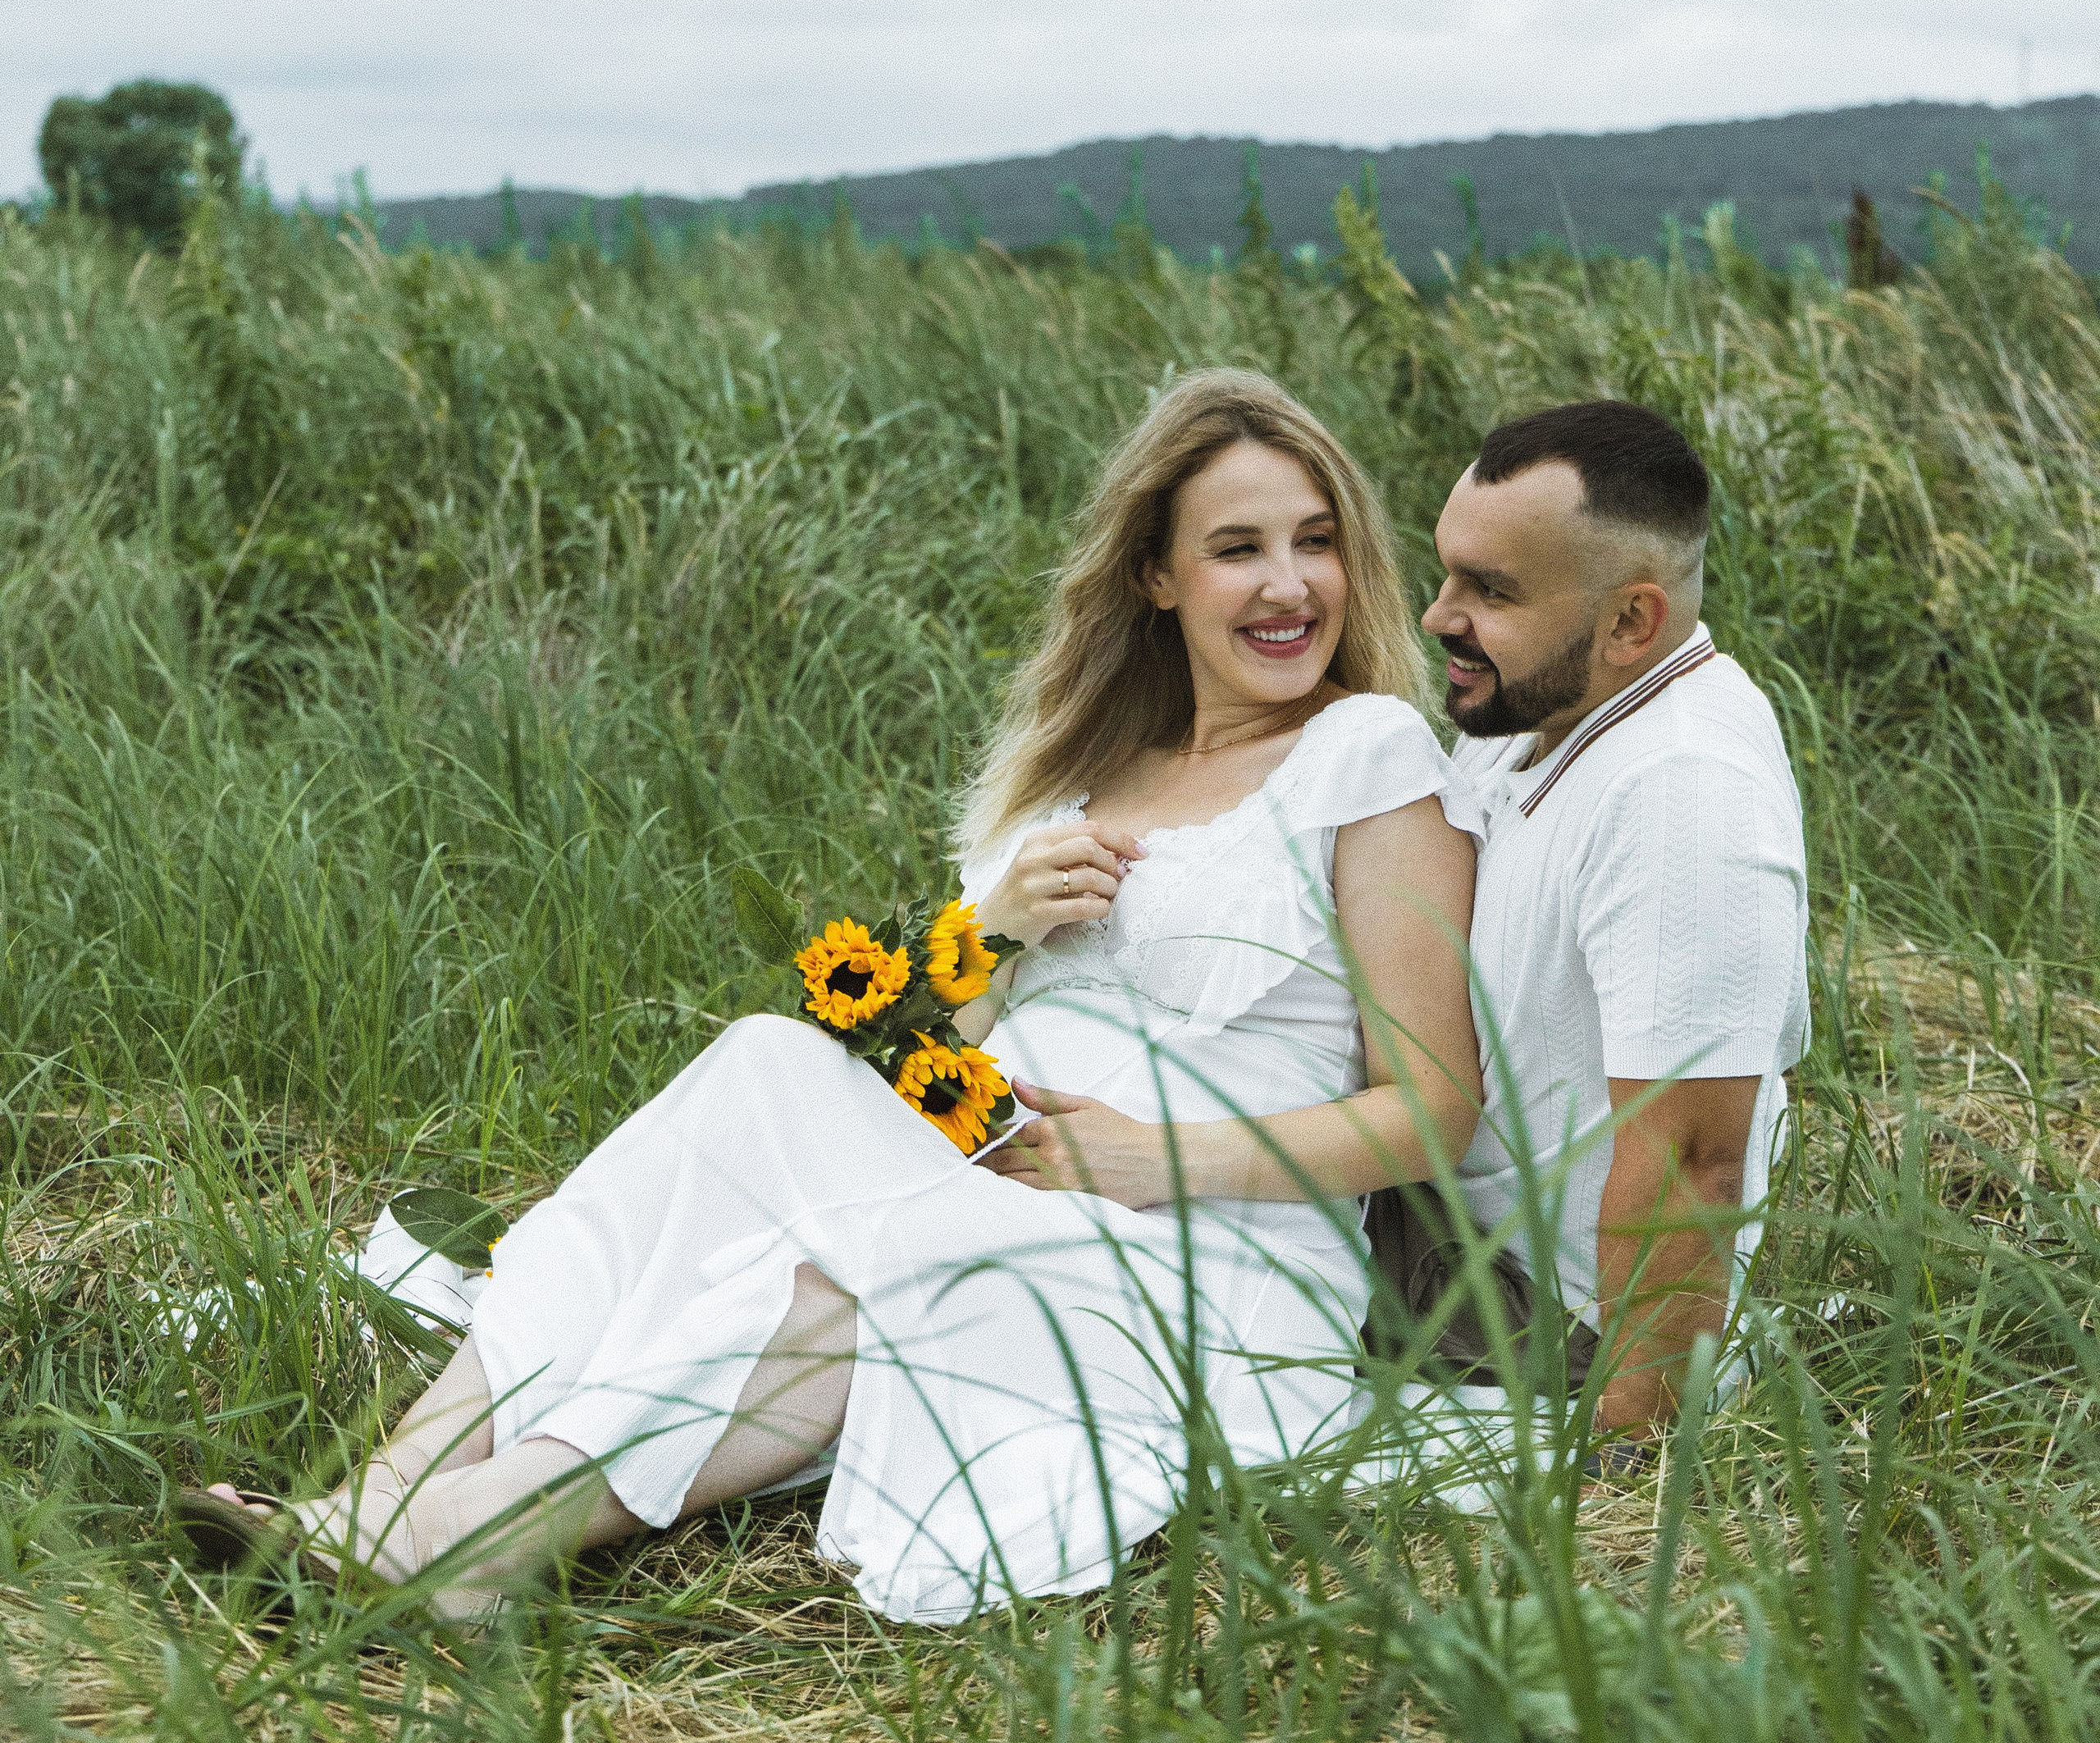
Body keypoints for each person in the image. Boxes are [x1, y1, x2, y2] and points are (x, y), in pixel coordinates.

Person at [177, 367, 1486, 1626]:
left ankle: (468, 1543)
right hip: (997, 1163)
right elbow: (907, 1058)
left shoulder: (1361, 753)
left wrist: (1150, 1161)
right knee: (762, 1062)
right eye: (1237, 547)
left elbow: (1433, 1112)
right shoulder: (1092, 777)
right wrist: (993, 932)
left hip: (1212, 1264)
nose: (1286, 584)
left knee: (870, 1255)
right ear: (1156, 574)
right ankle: (397, 1479)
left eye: (1315, 542)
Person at [1413, 399, 1809, 1449]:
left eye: (1490, 591)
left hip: (1531, 1309)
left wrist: (1622, 1458)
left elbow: (1692, 1165)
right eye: (1447, 572)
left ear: (1632, 621)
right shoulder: (1532, 708)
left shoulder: (1684, 790)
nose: (1438, 616)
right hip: (1436, 1218)